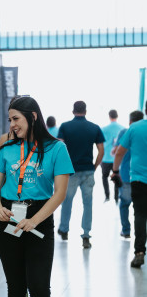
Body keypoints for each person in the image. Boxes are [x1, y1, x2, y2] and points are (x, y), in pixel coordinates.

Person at [0, 96, 74, 297]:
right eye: (10, 119)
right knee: (15, 287)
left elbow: (59, 193)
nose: (12, 125)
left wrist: (35, 220)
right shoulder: (7, 147)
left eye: (16, 119)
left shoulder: (57, 149)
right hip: (8, 220)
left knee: (38, 285)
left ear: (33, 117)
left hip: (39, 219)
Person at [57, 101, 105, 248]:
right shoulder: (94, 128)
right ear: (85, 110)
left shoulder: (65, 127)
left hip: (70, 172)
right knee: (88, 204)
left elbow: (60, 148)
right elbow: (101, 151)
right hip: (88, 171)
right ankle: (86, 235)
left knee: (66, 201)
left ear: (73, 111)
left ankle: (64, 230)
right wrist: (94, 166)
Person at [112, 102, 147, 268]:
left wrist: (115, 171)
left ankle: (139, 252)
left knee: (140, 215)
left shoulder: (135, 128)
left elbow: (119, 152)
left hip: (139, 180)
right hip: (138, 179)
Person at [111, 110, 144, 238]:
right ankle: (141, 235)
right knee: (140, 208)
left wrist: (115, 171)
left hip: (125, 174)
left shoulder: (124, 132)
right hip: (141, 175)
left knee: (124, 204)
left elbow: (116, 152)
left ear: (130, 121)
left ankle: (126, 230)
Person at [101, 109, 124, 202]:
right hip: (117, 159)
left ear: (109, 116)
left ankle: (107, 196)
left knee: (104, 177)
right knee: (117, 177)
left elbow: (100, 143)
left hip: (106, 158)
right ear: (117, 116)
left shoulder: (103, 129)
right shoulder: (122, 129)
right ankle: (116, 197)